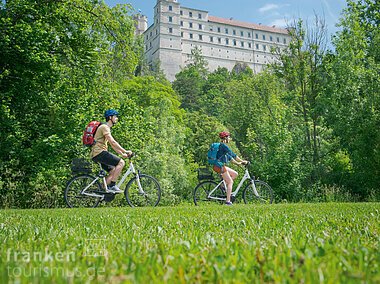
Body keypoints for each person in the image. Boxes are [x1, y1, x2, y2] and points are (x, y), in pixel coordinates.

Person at [90, 109, 132, 193]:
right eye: (115, 116)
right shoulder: (104, 127)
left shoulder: (105, 128)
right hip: (99, 153)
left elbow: (112, 145)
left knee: (113, 171)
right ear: (110, 117)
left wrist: (122, 153)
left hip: (97, 153)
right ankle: (112, 185)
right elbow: (112, 142)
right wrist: (125, 151)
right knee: (121, 163)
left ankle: (101, 189)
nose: (117, 118)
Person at [212, 131, 248, 205]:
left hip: (219, 166)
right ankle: (228, 201)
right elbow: (233, 155)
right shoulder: (223, 146)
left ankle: (223, 186)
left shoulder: (222, 146)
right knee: (230, 182)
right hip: (219, 166)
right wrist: (243, 161)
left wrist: (238, 163)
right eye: (229, 137)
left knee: (235, 174)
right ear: (225, 138)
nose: (230, 139)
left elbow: (230, 158)